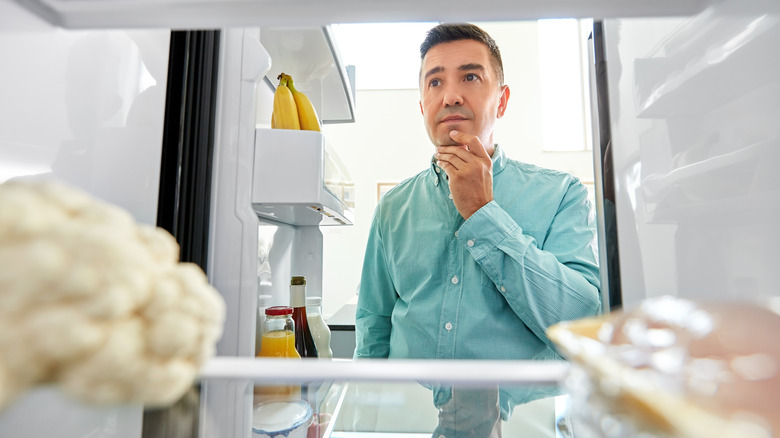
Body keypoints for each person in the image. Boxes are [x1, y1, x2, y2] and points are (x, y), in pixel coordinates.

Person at [354, 22, 602, 429]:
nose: (450, 95)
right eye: (435, 82)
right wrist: (365, 420)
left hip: (524, 426)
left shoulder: (562, 194)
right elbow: (373, 325)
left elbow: (581, 323)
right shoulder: (392, 208)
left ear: (501, 101)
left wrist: (483, 214)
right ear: (422, 107)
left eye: (470, 76)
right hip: (409, 426)